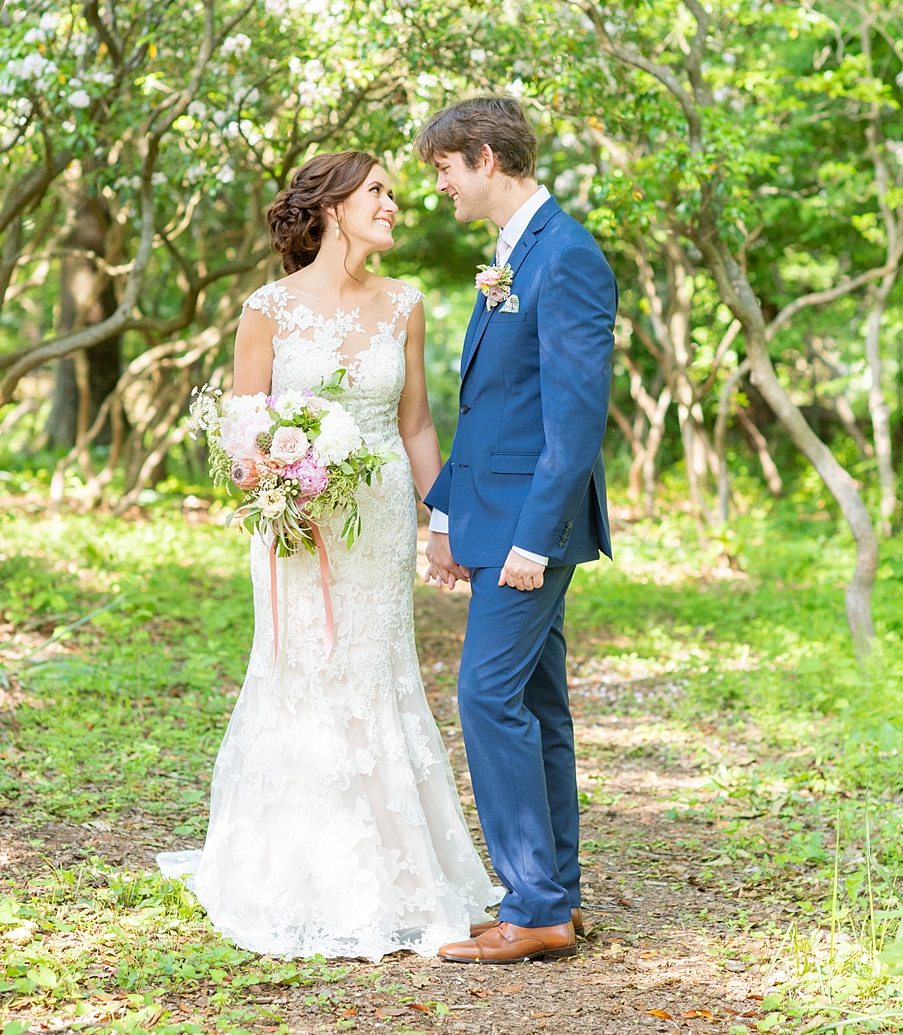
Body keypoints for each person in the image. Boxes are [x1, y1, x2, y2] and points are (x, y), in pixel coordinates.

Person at [157, 151, 498, 961]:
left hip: (378, 521)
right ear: (333, 207)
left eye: (394, 194)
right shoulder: (266, 309)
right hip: (295, 529)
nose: (394, 205)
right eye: (379, 192)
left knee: (377, 670)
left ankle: (398, 871)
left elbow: (415, 424)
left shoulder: (405, 304)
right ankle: (295, 865)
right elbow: (242, 431)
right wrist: (275, 484)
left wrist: (438, 519)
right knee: (303, 667)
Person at [417, 97, 617, 964]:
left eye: (445, 169)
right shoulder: (512, 255)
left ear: (487, 158)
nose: (441, 187)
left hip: (532, 528)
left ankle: (533, 905)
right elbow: (490, 406)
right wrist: (452, 512)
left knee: (484, 696)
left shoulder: (566, 256)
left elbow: (574, 423)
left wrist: (532, 542)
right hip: (496, 516)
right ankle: (556, 898)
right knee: (536, 703)